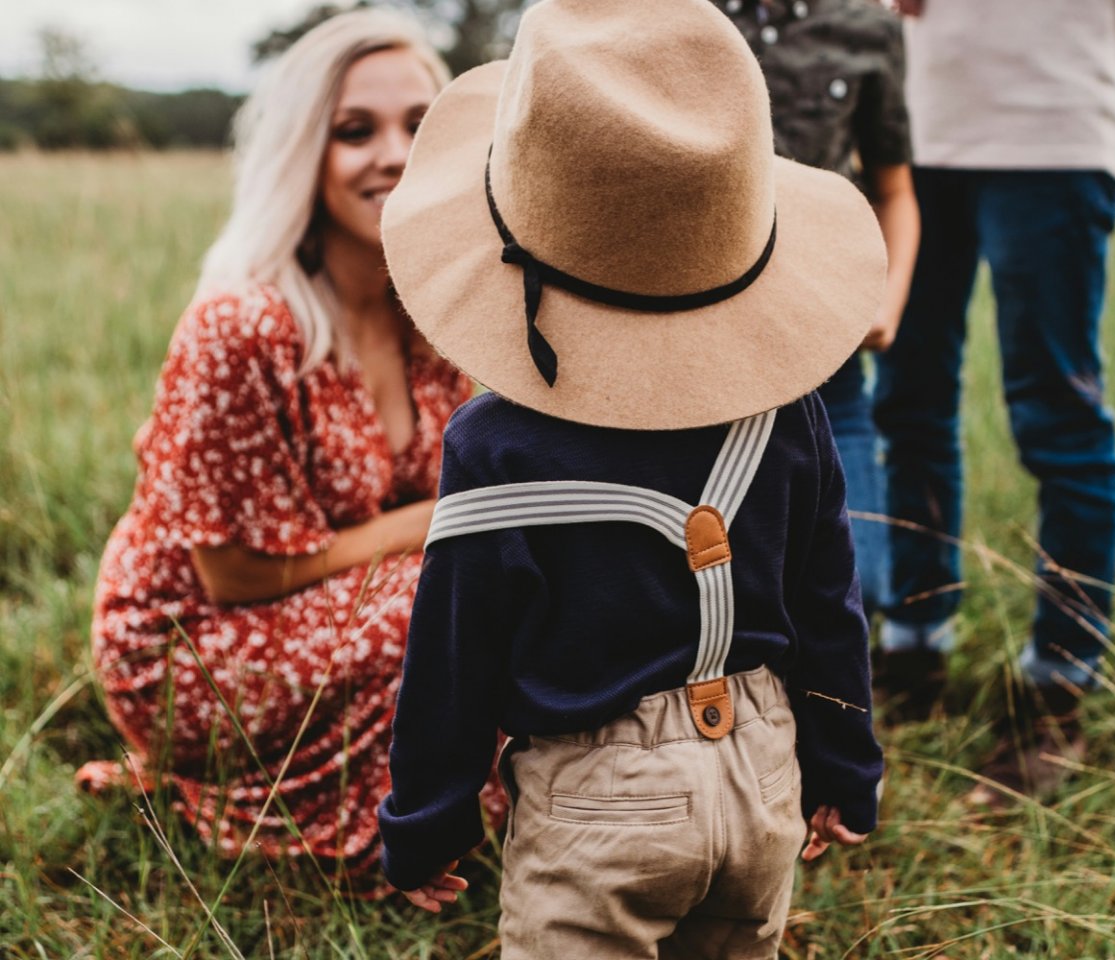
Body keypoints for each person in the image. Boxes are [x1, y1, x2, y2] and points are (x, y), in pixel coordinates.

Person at [376, 0, 886, 953]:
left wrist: (427, 822)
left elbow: (455, 657)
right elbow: (831, 608)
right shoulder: (794, 409)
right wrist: (846, 767)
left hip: (597, 804)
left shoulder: (494, 446)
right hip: (764, 772)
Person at [79, 9, 504, 882]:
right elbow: (230, 574)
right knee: (470, 585)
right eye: (356, 131)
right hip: (195, 642)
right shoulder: (245, 323)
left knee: (503, 576)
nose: (394, 152)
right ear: (302, 154)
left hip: (329, 599)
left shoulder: (430, 309)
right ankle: (321, 815)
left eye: (421, 127)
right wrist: (445, 519)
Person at [873, 0, 1115, 799]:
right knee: (906, 401)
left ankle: (1057, 693)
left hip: (1054, 127)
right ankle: (912, 652)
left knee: (1057, 415)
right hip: (911, 127)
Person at [716, 0, 919, 624]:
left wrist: (887, 298)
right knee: (721, 574)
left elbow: (894, 190)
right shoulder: (682, 15)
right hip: (701, 343)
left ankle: (846, 710)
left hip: (827, 354)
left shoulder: (869, 29)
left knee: (851, 579)